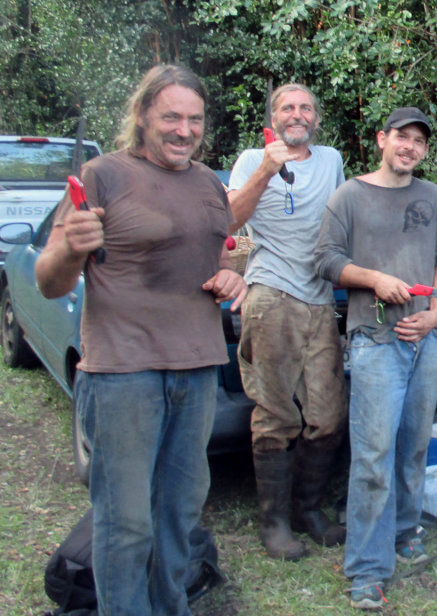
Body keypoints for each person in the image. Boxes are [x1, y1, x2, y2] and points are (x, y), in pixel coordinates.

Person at [34, 64, 246, 616]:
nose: (184, 129)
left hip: (198, 369)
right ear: (144, 116)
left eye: (194, 119)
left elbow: (218, 259)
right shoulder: (102, 175)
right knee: (125, 522)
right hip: (123, 372)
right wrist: (71, 247)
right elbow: (50, 281)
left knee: (178, 514)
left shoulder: (207, 184)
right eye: (171, 116)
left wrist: (233, 276)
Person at [314, 107, 437, 609]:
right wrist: (374, 279)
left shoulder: (434, 198)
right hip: (374, 340)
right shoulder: (349, 196)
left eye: (419, 141)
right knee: (373, 455)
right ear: (381, 139)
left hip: (426, 341)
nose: (410, 147)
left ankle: (403, 531)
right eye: (402, 137)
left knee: (414, 445)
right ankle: (368, 570)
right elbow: (326, 261)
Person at [227, 83, 347, 561]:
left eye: (305, 108)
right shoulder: (249, 159)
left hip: (320, 297)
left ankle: (308, 510)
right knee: (276, 414)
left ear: (315, 118)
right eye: (287, 107)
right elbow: (230, 221)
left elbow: (341, 222)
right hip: (271, 294)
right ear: (272, 116)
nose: (297, 114)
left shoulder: (332, 160)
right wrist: (266, 169)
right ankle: (274, 522)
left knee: (328, 415)